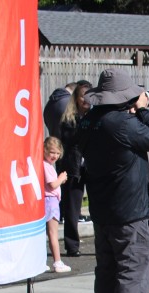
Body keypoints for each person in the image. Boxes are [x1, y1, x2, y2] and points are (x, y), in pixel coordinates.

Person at [80, 68, 149, 293]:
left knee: (106, 270)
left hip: (102, 209)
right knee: (133, 270)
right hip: (130, 212)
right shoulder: (123, 123)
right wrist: (144, 110)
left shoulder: (89, 121)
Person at [57, 80, 92, 257]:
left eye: (89, 96)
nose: (86, 100)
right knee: (72, 208)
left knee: (98, 205)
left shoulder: (95, 117)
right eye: (83, 96)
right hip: (74, 166)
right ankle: (72, 246)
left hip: (92, 166)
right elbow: (70, 141)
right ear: (76, 99)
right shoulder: (69, 119)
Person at [42, 137, 71, 274]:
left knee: (45, 233)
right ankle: (57, 262)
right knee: (53, 233)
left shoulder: (45, 165)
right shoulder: (46, 166)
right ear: (44, 150)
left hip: (47, 200)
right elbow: (52, 185)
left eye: (58, 153)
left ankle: (41, 262)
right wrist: (61, 178)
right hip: (50, 201)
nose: (55, 156)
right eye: (52, 152)